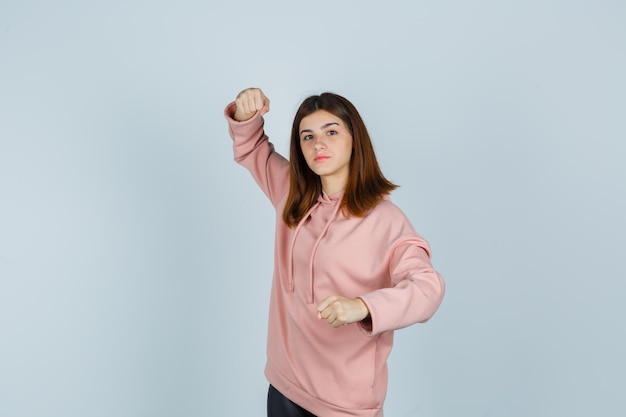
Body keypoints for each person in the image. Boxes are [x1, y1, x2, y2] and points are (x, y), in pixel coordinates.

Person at [224, 88, 445, 417]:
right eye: (307, 136)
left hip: (345, 405)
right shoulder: (291, 194)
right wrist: (246, 112)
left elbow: (428, 288)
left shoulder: (385, 220)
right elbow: (252, 147)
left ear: (354, 139)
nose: (318, 145)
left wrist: (363, 306)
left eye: (331, 132)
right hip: (285, 387)